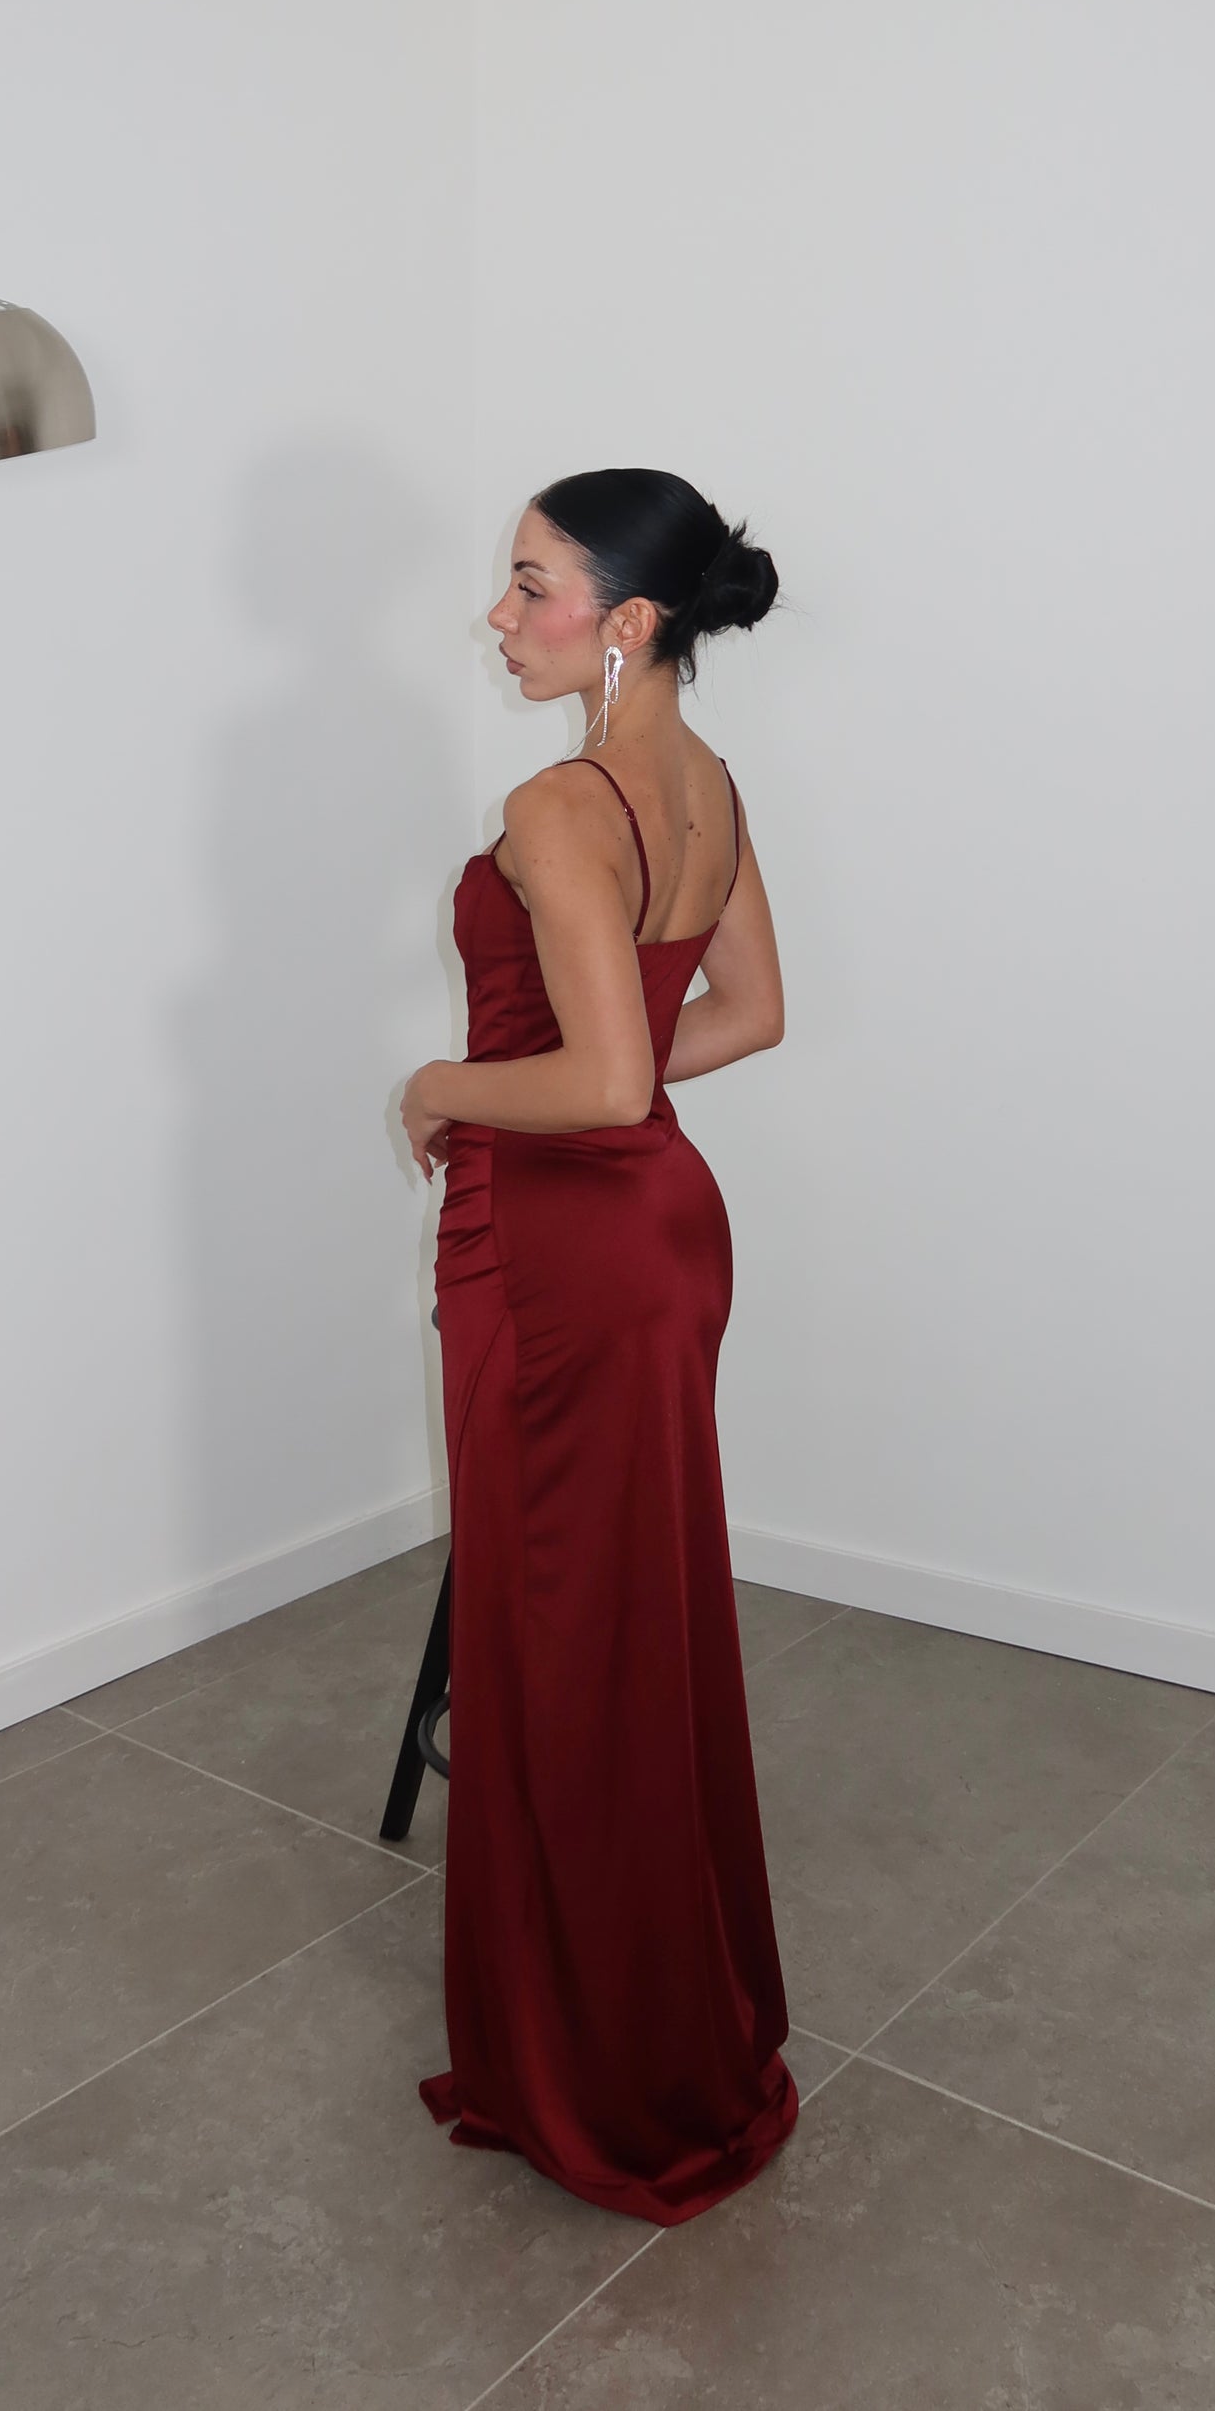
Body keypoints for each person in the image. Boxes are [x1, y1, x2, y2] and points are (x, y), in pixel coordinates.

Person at [397, 466, 796, 2225]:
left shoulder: (562, 804)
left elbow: (605, 1079)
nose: (499, 616)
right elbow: (745, 1016)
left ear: (627, 620)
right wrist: (566, 1083)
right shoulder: (706, 785)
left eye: (529, 584)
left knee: (561, 1642)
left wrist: (439, 1085)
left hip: (552, 1248)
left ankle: (596, 2065)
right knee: (630, 1625)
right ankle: (667, 2022)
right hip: (661, 1236)